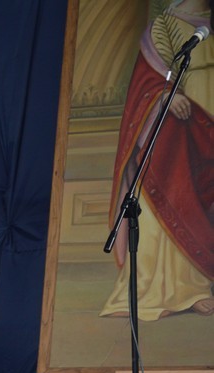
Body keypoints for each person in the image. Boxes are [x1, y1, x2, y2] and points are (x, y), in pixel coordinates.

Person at [100, 0, 213, 321]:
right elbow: (146, 82)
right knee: (172, 195)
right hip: (183, 125)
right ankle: (185, 288)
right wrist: (165, 97)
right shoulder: (165, 26)